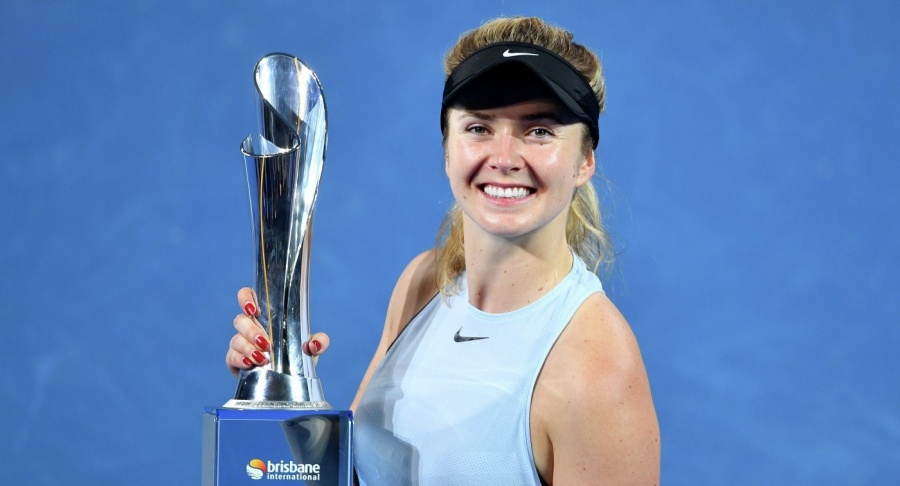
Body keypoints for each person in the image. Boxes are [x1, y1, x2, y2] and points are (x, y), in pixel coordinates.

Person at [227, 16, 660, 485]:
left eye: (539, 130)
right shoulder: (426, 283)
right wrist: (280, 385)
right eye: (479, 127)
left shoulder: (596, 368)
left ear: (584, 160)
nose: (504, 158)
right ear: (448, 150)